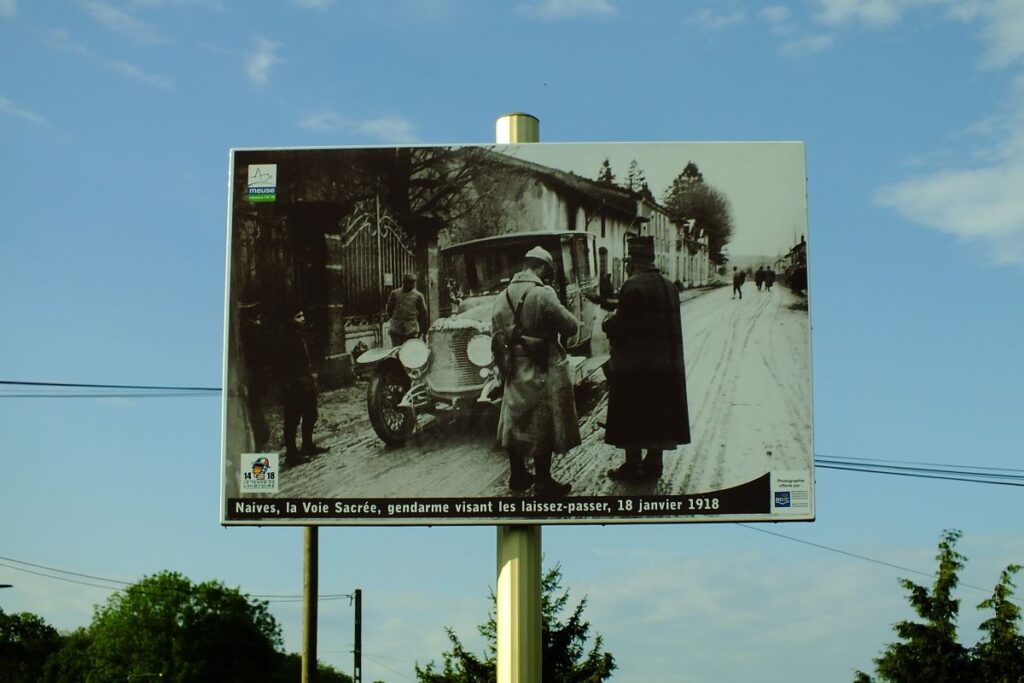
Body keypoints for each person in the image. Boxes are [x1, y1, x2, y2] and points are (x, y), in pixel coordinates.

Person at [492, 246, 580, 496]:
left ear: (525, 265)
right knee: (544, 420)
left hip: (513, 366)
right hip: (542, 363)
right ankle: (543, 481)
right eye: (547, 271)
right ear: (542, 268)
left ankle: (518, 475)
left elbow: (495, 336)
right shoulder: (543, 294)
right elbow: (571, 326)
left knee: (514, 419)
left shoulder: (502, 296)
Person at [603, 236, 691, 482]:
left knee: (631, 411)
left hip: (637, 366)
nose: (629, 266)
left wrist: (607, 323)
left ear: (634, 261)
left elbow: (623, 325)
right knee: (659, 411)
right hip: (665, 365)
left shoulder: (633, 285)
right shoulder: (669, 286)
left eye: (629, 261)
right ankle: (654, 462)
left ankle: (632, 466)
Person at [278, 308, 327, 465]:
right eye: (298, 316)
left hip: (305, 382)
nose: (303, 318)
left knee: (311, 414)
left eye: (303, 315)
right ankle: (291, 455)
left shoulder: (301, 335)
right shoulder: (284, 339)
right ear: (290, 320)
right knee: (292, 420)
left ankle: (307, 445)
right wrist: (289, 384)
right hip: (293, 384)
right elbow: (282, 366)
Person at [386, 272, 429, 347]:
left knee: (409, 352)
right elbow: (389, 308)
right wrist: (394, 319)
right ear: (403, 282)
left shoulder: (418, 295)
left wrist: (423, 330)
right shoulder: (395, 293)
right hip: (396, 330)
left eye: (412, 282)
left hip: (411, 330)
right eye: (408, 282)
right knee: (396, 350)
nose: (410, 284)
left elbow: (423, 313)